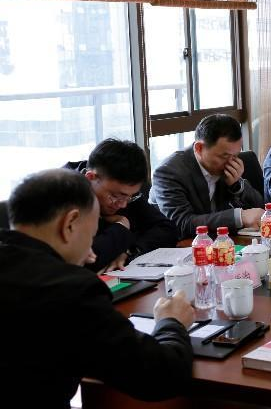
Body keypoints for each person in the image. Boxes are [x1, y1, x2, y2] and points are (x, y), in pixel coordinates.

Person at [0, 169, 193, 408]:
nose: (91, 252)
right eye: (91, 236)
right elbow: (159, 376)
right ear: (69, 224)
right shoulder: (70, 290)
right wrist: (172, 322)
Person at [63, 138, 177, 273]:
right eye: (114, 196)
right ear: (90, 178)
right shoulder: (64, 196)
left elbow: (167, 229)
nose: (123, 205)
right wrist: (122, 226)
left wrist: (129, 251)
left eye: (130, 197)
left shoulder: (127, 192)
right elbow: (85, 259)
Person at [150, 114, 264, 239]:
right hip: (183, 245)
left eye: (236, 155)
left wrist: (236, 185)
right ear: (199, 148)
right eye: (224, 156)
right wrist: (239, 217)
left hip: (222, 241)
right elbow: (182, 223)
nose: (231, 162)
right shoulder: (168, 172)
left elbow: (260, 208)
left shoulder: (230, 165)